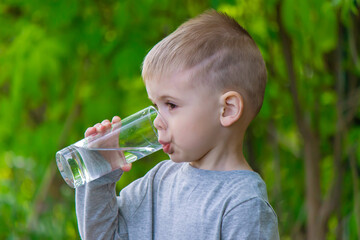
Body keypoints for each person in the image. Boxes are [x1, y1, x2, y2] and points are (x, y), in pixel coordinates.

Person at [76, 9, 280, 239]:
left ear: (227, 109)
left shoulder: (243, 205)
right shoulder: (158, 182)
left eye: (171, 105)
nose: (156, 121)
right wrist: (100, 174)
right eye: (155, 105)